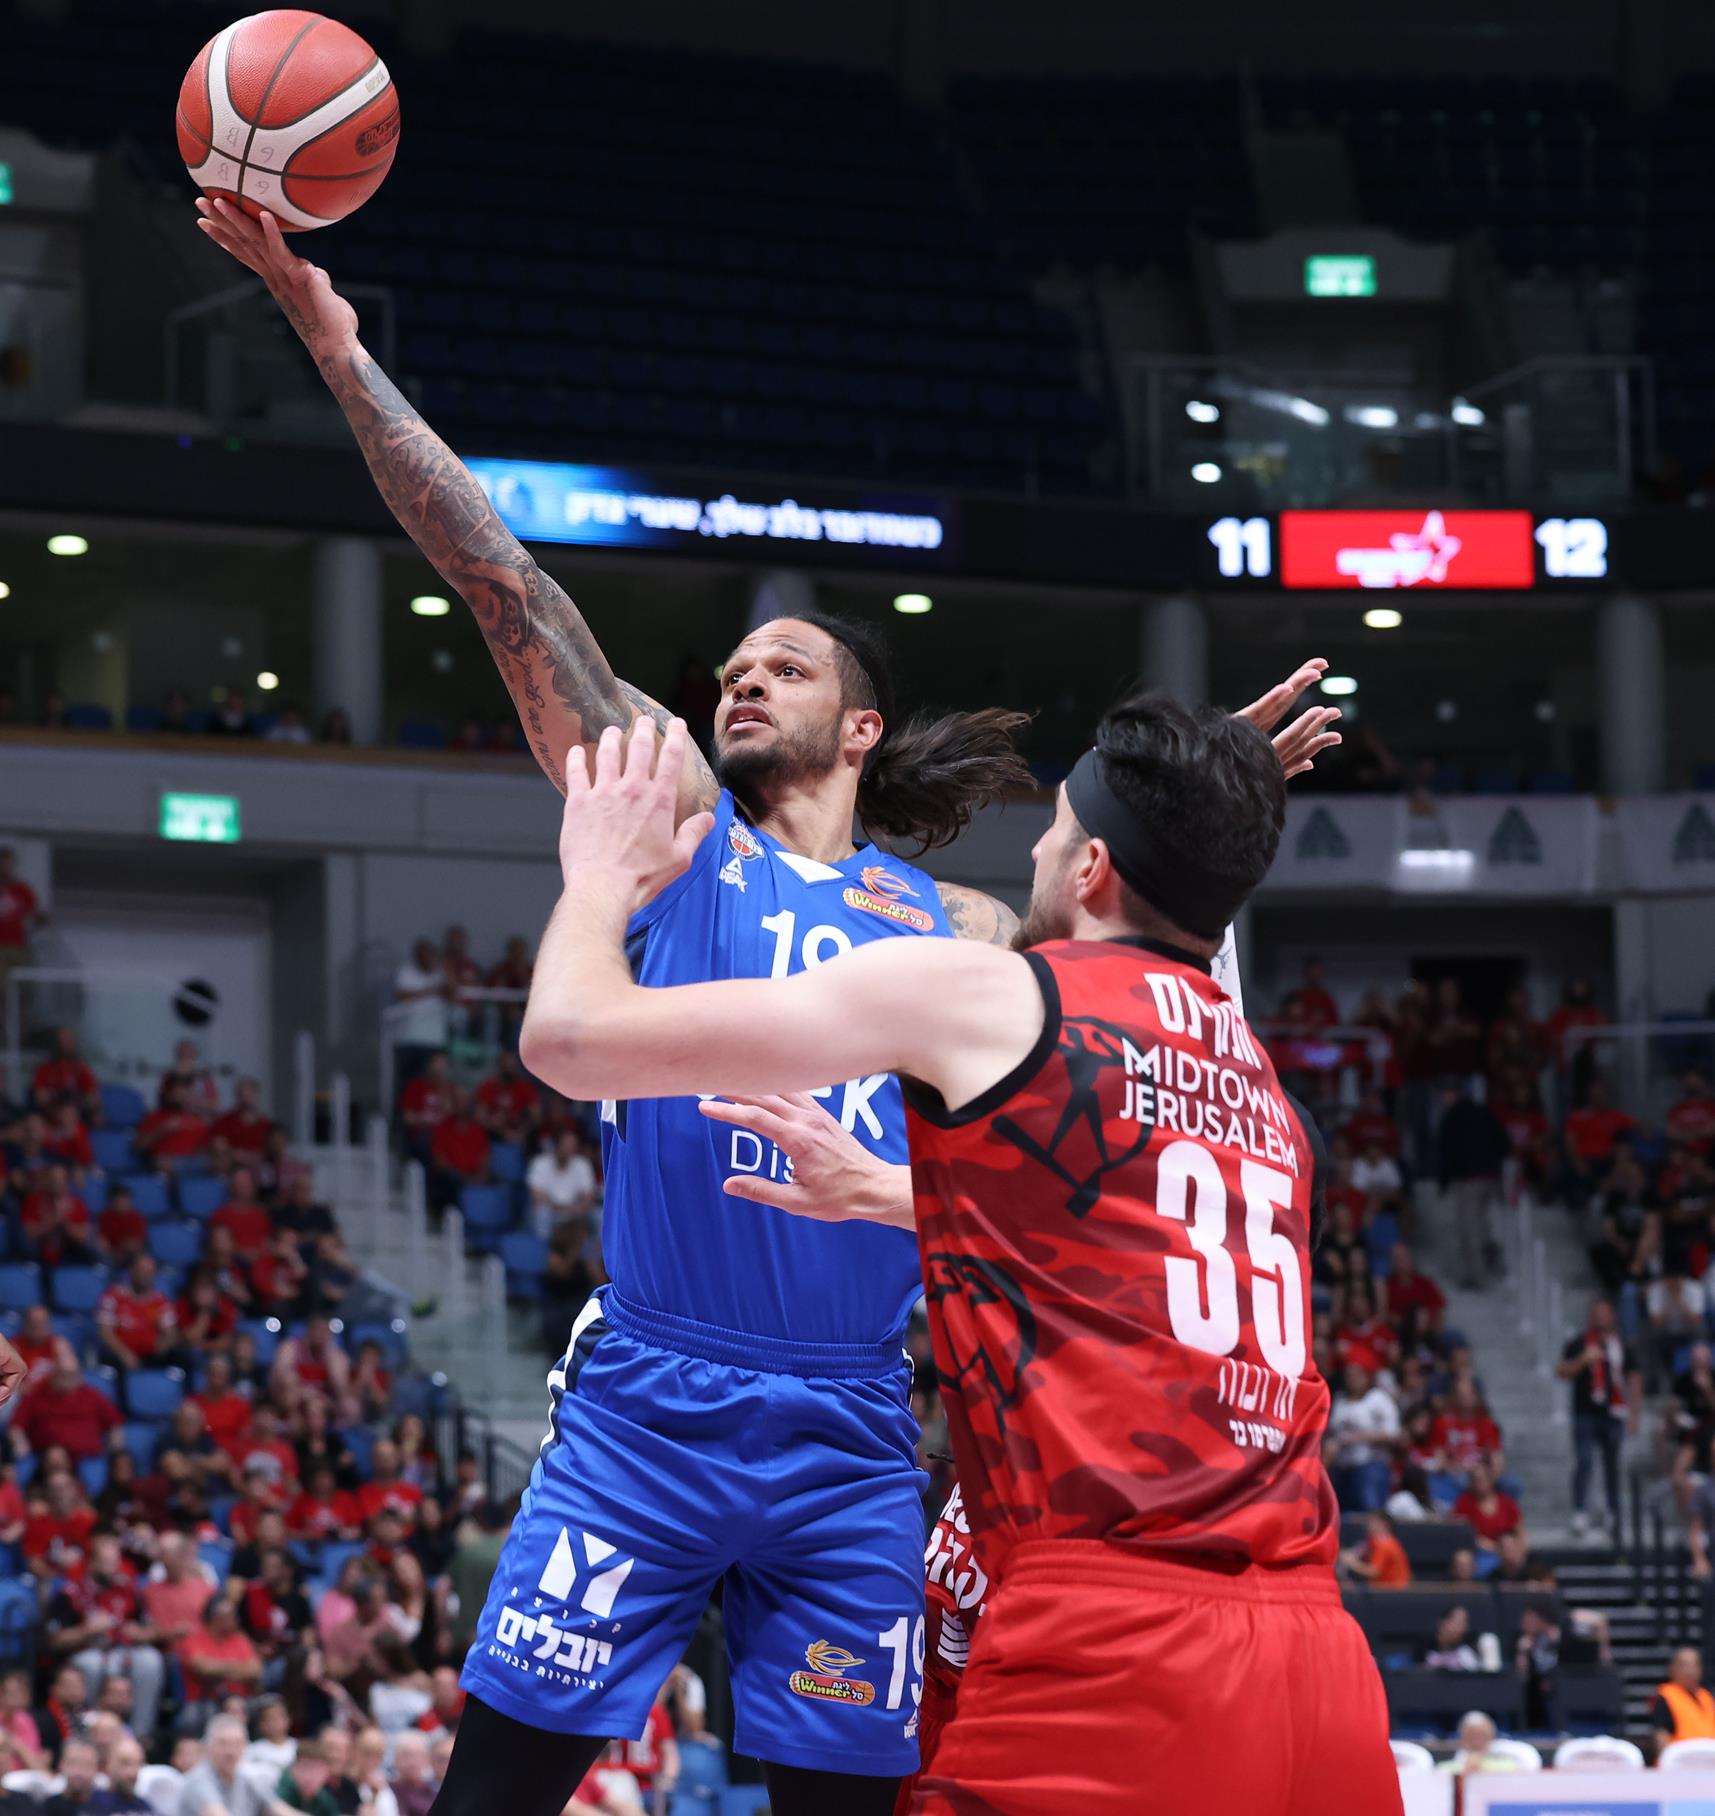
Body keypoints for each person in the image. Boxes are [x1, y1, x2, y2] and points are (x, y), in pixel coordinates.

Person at [198, 193, 1340, 1816]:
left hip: (854, 1429)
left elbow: (1124, 924)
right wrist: (335, 345)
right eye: (732, 667)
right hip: (650, 1402)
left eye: (785, 667)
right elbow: (498, 573)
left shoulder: (952, 928)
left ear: (861, 728)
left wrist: (1200, 792)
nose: (742, 678)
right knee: (490, 1797)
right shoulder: (670, 824)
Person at [509, 698, 1387, 1814]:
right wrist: (1210, 805)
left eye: (1055, 832)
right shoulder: (1259, 1090)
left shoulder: (993, 993)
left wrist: (596, 874)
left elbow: (571, 1039)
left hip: (1118, 1643)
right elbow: (1092, 1249)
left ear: (1092, 868)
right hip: (1317, 1654)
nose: (1035, 853)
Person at [1558, 1296, 1640, 1539]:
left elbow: (1634, 1379)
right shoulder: (1579, 1344)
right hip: (1585, 1413)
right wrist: (1583, 1360)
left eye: (1605, 1313)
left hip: (1613, 1413)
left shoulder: (1622, 1345)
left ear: (1612, 1316)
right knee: (1584, 1461)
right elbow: (1561, 1371)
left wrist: (1634, 1413)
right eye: (1596, 1313)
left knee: (1612, 1464)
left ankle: (1612, 1510)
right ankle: (1580, 1510)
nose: (1600, 1318)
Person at [1436, 1082, 1510, 1289]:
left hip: (1468, 1179)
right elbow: (1503, 1141)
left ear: (1456, 1094)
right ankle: (1492, 1262)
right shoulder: (1484, 1111)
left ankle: (1480, 1277)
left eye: (1445, 1093)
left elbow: (1447, 1151)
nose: (1443, 1098)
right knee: (1482, 1225)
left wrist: (1443, 1182)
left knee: (1469, 1229)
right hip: (1492, 1177)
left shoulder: (1452, 1117)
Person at [1653, 1646, 1715, 1757]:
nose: (1690, 1671)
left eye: (1694, 1665)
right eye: (1684, 1665)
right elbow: (1661, 1735)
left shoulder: (1706, 1696)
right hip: (1681, 1760)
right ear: (1672, 1668)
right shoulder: (1666, 1696)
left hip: (1709, 1758)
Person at [41, 1737, 113, 1816]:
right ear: (61, 1764)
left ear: (97, 1768)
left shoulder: (110, 1805)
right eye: (72, 1763)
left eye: (86, 1765)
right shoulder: (47, 1808)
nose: (78, 1772)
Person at [1338, 1510, 1411, 1588]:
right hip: (1379, 1587)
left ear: (1384, 1524)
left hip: (1391, 1590)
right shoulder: (1373, 1541)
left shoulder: (1384, 1544)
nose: (1368, 1525)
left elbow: (1373, 1571)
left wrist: (1351, 1562)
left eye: (1373, 1522)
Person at [1437, 1711, 1522, 1776]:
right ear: (1462, 1737)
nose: (1477, 1741)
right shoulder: (1447, 1766)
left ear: (1492, 1736)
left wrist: (1481, 1765)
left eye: (1482, 1735)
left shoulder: (1509, 1761)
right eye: (1472, 1736)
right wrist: (1467, 1767)